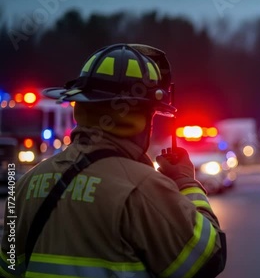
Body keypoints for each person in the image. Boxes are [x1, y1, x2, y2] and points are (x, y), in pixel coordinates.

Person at [0, 44, 226, 278]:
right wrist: (186, 182)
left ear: (80, 107)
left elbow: (10, 269)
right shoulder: (143, 190)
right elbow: (208, 258)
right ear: (144, 118)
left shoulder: (26, 186)